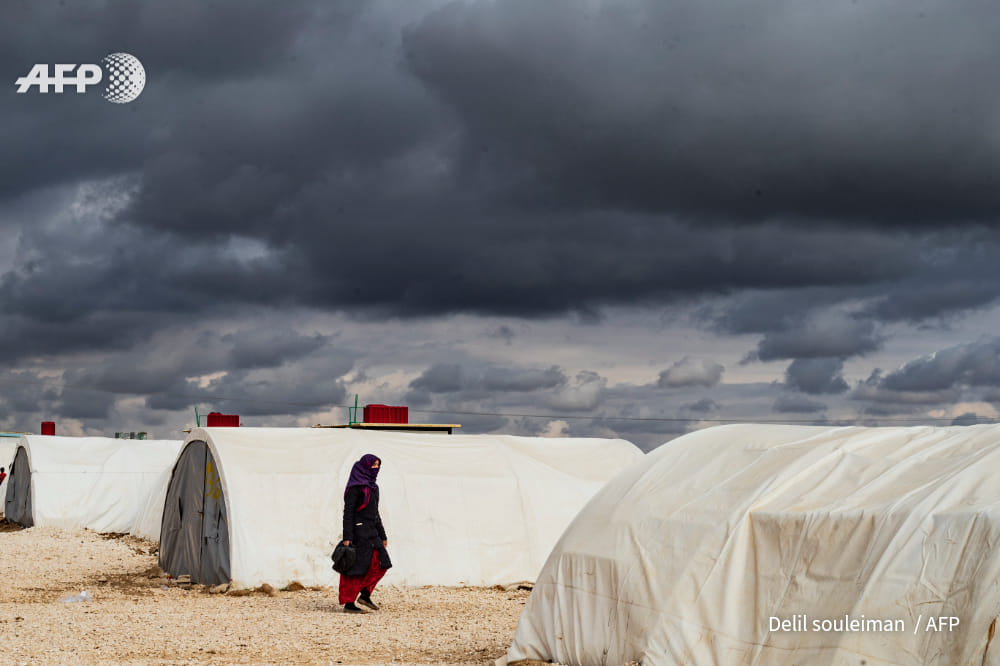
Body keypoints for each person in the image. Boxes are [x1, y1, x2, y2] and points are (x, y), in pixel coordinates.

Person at [339, 454, 391, 613]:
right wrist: (347, 537)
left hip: (372, 532)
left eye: (378, 465)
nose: (376, 468)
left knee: (382, 563)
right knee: (356, 568)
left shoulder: (374, 488)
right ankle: (349, 603)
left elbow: (376, 513)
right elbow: (348, 513)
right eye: (373, 465)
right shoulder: (355, 488)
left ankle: (365, 594)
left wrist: (382, 535)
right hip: (358, 533)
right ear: (365, 467)